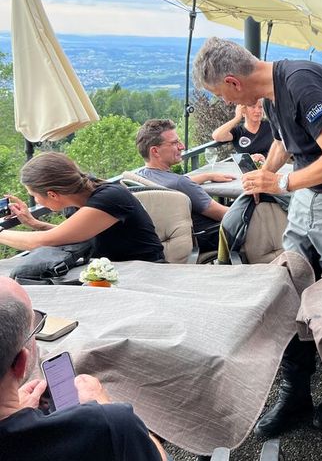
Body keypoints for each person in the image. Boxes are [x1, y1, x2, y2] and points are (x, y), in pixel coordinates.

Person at [192, 37, 322, 438]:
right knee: (291, 285)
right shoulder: (275, 90)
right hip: (307, 197)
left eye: (221, 95)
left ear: (232, 82)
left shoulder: (301, 81)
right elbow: (283, 141)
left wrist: (279, 180)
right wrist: (264, 181)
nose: (229, 105)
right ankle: (294, 389)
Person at [0, 277, 167, 460]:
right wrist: (104, 406)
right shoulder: (109, 424)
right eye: (34, 329)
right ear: (21, 363)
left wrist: (14, 414)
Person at [0, 153, 164, 263]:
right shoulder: (77, 200)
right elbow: (75, 234)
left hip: (147, 272)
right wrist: (35, 223)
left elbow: (46, 241)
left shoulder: (110, 198)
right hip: (114, 271)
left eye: (33, 195)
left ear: (52, 194)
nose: (34, 200)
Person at [135, 119, 233, 254]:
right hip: (206, 238)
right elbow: (227, 215)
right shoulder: (180, 184)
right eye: (175, 143)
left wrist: (207, 176)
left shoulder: (140, 179)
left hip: (160, 242)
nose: (182, 147)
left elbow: (179, 182)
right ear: (155, 151)